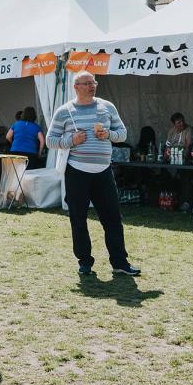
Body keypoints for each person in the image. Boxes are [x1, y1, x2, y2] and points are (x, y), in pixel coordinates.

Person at [47, 72, 141, 277]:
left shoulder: (107, 107)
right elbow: (50, 140)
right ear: (76, 87)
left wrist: (108, 134)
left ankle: (120, 263)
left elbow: (122, 134)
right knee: (78, 219)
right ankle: (85, 262)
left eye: (94, 82)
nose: (92, 86)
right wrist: (71, 141)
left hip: (104, 171)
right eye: (87, 83)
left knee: (113, 219)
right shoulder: (64, 111)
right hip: (76, 171)